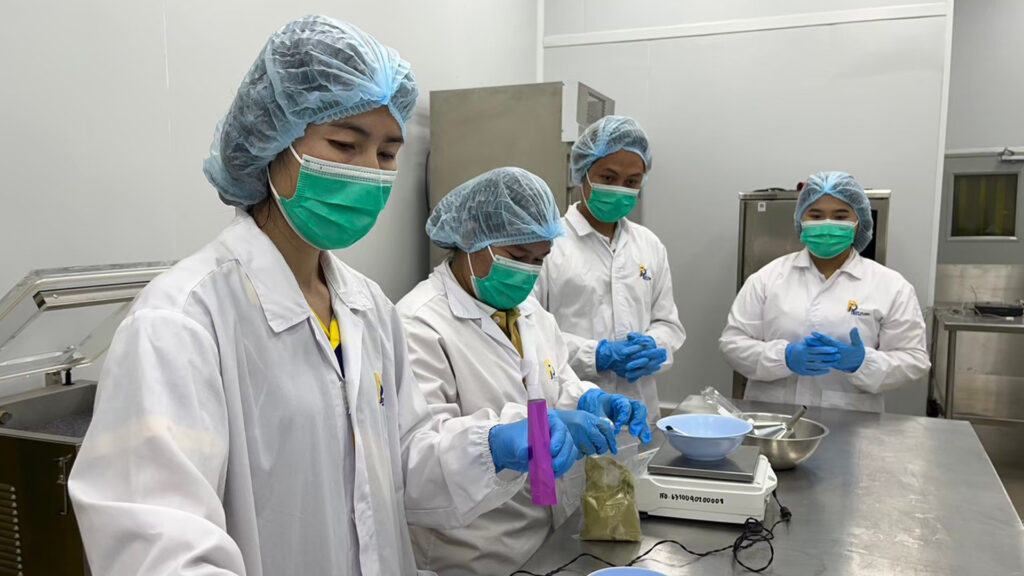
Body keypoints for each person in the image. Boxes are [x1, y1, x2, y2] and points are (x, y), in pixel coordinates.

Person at [68, 16, 562, 575]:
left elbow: (399, 465)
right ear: (271, 143)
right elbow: (159, 546)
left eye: (387, 154)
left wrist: (489, 447)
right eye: (345, 144)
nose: (370, 172)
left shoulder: (368, 308)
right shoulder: (182, 321)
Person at [397, 167, 652, 576]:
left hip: (545, 536)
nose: (528, 272)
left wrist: (589, 399)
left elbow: (555, 379)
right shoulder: (418, 324)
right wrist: (496, 444)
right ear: (471, 235)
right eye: (517, 258)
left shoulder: (528, 310)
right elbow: (415, 463)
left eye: (540, 260)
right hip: (473, 553)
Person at [719, 171, 930, 412]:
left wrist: (863, 363)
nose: (827, 224)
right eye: (816, 215)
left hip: (853, 422)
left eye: (840, 216)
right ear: (801, 219)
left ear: (859, 221)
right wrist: (784, 357)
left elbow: (914, 359)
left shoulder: (891, 285)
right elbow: (732, 344)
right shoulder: (767, 278)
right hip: (773, 417)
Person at [535, 116, 686, 423]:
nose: (620, 189)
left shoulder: (649, 244)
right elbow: (529, 333)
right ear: (582, 173)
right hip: (572, 413)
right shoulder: (548, 246)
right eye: (608, 177)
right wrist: (597, 355)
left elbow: (668, 322)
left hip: (639, 409)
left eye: (632, 182)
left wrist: (653, 346)